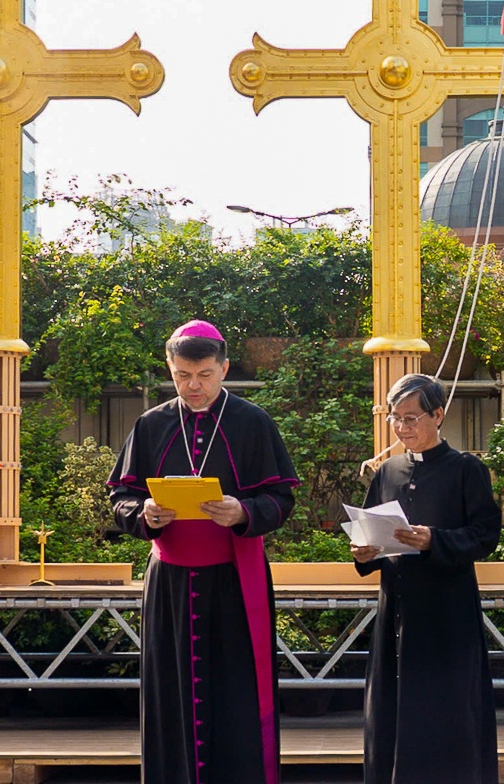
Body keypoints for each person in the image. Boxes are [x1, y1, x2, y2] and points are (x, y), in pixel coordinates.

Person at [109, 320, 297, 784]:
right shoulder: (151, 424)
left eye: (206, 375)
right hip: (171, 584)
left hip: (233, 581)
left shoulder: (253, 422)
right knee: (172, 694)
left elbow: (282, 498)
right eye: (182, 376)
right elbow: (121, 498)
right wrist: (145, 513)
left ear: (224, 368)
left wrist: (243, 511)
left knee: (235, 694)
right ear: (170, 369)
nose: (194, 386)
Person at [351, 373, 501, 784]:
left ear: (438, 415)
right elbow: (371, 532)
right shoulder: (388, 472)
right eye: (395, 418)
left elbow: (486, 535)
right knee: (393, 706)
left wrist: (433, 540)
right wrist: (365, 552)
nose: (402, 428)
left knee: (446, 707)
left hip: (446, 612)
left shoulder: (467, 469)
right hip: (397, 607)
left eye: (411, 417)